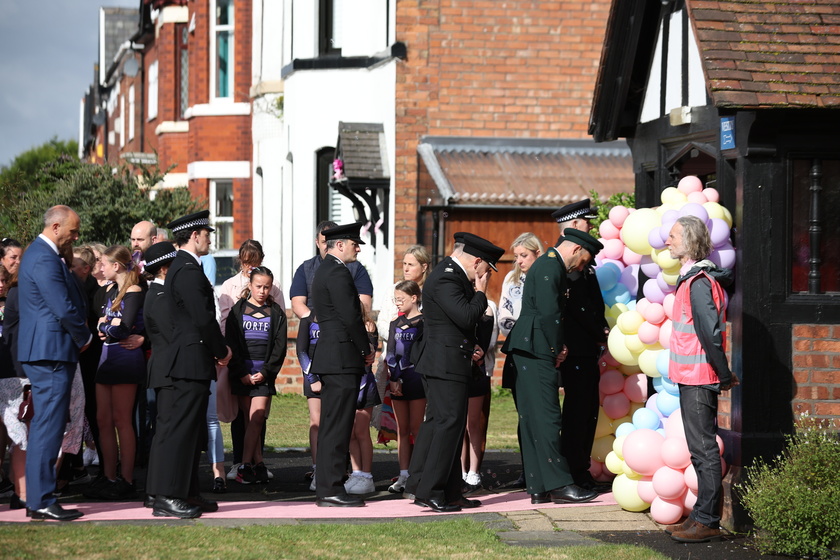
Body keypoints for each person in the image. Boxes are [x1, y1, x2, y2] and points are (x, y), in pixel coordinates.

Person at [502, 228, 603, 506]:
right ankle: (560, 485)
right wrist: (557, 347)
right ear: (575, 249)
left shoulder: (546, 264)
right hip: (535, 347)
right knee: (547, 418)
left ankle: (539, 485)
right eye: (584, 258)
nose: (583, 265)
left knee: (535, 419)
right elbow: (550, 313)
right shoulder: (551, 266)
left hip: (529, 346)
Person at [404, 232, 504, 513]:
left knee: (445, 423)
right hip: (444, 363)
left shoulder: (449, 275)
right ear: (478, 262)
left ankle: (448, 491)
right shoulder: (448, 276)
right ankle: (430, 490)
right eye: (487, 268)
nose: (486, 274)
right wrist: (482, 291)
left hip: (448, 360)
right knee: (446, 424)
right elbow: (467, 316)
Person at [145, 210, 231, 519]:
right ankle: (169, 496)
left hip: (185, 360)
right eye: (207, 233)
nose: (210, 238)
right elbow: (203, 319)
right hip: (188, 361)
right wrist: (221, 350)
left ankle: (184, 491)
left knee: (188, 432)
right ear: (194, 236)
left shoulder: (181, 267)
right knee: (181, 431)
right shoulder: (189, 269)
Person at [663, 215, 738, 543]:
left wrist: (722, 373)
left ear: (690, 242)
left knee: (704, 449)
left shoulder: (699, 282)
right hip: (691, 375)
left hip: (698, 377)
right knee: (700, 449)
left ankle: (707, 520)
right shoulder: (692, 279)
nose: (667, 240)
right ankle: (700, 516)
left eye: (674, 236)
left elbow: (710, 333)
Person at [18, 205, 90, 521]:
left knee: (47, 427)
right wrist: (85, 337)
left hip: (48, 351)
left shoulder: (43, 255)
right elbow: (62, 307)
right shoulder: (43, 256)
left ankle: (39, 500)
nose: (75, 237)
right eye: (73, 231)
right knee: (48, 428)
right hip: (51, 352)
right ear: (57, 226)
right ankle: (42, 500)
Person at [289, 221, 373, 491]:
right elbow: (351, 315)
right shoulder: (338, 272)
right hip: (340, 357)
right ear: (339, 245)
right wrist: (366, 349)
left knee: (331, 424)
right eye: (353, 243)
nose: (357, 248)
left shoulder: (327, 270)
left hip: (332, 356)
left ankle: (327, 483)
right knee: (338, 426)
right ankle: (332, 486)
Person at [552, 201, 611, 493]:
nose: (590, 225)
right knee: (577, 413)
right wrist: (600, 331)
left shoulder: (582, 260)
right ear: (574, 225)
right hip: (576, 348)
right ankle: (574, 470)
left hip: (587, 348)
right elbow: (579, 306)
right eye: (586, 222)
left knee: (588, 411)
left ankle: (580, 467)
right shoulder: (570, 262)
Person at [218, 240, 285, 486]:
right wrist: (241, 371)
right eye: (259, 286)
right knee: (245, 419)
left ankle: (247, 464)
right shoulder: (236, 304)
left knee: (257, 418)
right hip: (241, 370)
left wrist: (266, 372)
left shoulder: (275, 311)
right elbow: (230, 337)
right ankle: (254, 464)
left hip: (262, 374)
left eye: (267, 287)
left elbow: (279, 345)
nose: (263, 291)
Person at [88, 245, 146, 500]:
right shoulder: (110, 291)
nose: (100, 268)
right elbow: (102, 326)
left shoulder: (134, 290)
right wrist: (107, 325)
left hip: (125, 358)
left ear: (117, 266)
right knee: (103, 420)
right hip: (106, 358)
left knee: (122, 420)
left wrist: (107, 325)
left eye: (104, 263)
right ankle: (109, 476)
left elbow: (121, 329)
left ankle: (127, 478)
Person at [497, 232, 543, 489]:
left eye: (524, 256)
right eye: (516, 256)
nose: (519, 261)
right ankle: (527, 470)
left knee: (543, 415)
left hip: (540, 353)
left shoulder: (547, 276)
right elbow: (505, 315)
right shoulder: (511, 278)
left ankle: (543, 468)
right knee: (524, 415)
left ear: (537, 253)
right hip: (517, 350)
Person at [140, 241, 177, 509]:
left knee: (163, 432)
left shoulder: (160, 294)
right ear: (165, 268)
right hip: (167, 369)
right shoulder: (160, 297)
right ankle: (159, 492)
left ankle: (155, 491)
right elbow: (173, 334)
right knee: (165, 433)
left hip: (165, 368)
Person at [384, 280, 424, 493]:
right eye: (396, 299)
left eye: (401, 299)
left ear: (414, 298)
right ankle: (404, 474)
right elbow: (391, 353)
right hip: (398, 381)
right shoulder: (395, 324)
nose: (397, 303)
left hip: (417, 380)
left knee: (417, 429)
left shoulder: (424, 323)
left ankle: (418, 475)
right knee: (402, 429)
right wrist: (394, 378)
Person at [461, 300, 498, 493]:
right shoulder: (456, 306)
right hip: (457, 369)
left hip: (476, 370)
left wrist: (478, 350)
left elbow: (488, 339)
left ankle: (474, 471)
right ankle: (461, 471)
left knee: (472, 423)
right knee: (459, 424)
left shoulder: (486, 309)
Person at [343, 310, 381, 495]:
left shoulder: (368, 327)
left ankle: (367, 475)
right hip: (348, 383)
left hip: (364, 383)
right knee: (349, 432)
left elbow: (367, 354)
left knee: (361, 430)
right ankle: (357, 473)